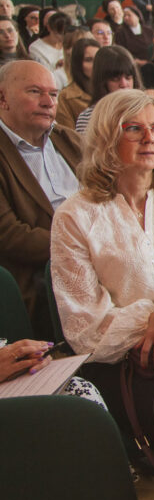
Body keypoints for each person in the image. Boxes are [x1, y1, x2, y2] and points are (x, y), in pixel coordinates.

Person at [50, 89, 154, 457]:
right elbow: (85, 331)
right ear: (107, 137)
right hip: (126, 362)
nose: (150, 138)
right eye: (134, 129)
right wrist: (152, 320)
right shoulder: (75, 216)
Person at [0, 61, 81, 318]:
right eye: (35, 92)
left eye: (54, 94)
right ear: (3, 98)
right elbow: (10, 236)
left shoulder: (69, 139)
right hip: (39, 279)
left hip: (98, 262)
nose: (48, 102)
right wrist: (81, 247)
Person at [75, 45, 142, 135]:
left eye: (128, 78)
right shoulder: (89, 117)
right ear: (102, 82)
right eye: (115, 79)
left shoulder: (146, 111)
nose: (124, 84)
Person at [55, 37, 100, 130]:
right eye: (89, 60)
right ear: (78, 64)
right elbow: (69, 136)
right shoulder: (66, 97)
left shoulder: (112, 89)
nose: (96, 64)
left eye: (98, 59)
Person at [28, 10, 68, 77]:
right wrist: (57, 67)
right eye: (59, 33)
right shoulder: (35, 48)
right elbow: (41, 74)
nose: (62, 37)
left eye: (65, 33)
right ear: (49, 28)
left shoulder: (69, 43)